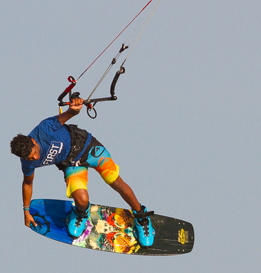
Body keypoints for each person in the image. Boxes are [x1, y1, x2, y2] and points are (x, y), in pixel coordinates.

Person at [10, 98, 156, 246]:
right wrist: (26, 211)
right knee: (82, 200)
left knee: (115, 181)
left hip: (88, 148)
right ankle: (81, 214)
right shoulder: (28, 162)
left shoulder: (45, 129)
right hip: (72, 164)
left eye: (34, 152)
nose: (35, 157)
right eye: (30, 157)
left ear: (33, 141)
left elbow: (69, 113)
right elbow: (27, 183)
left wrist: (75, 106)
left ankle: (141, 216)